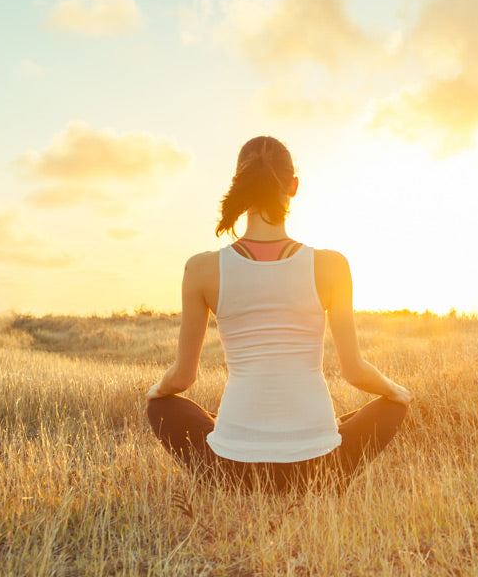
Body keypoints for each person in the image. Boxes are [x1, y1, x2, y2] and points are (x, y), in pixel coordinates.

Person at [145, 135, 411, 494]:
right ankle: (321, 470)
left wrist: (154, 391)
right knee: (388, 406)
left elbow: (181, 379)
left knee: (162, 406)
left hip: (232, 470)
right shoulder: (331, 265)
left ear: (238, 185)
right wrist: (398, 393)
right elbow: (354, 371)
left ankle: (227, 465)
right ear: (293, 187)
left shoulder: (202, 268)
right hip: (318, 469)